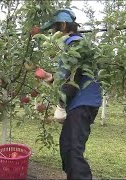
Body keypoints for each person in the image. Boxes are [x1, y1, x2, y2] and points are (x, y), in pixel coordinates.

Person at [41, 9, 102, 179]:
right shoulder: (73, 45)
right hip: (79, 102)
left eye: (54, 29)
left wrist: (61, 106)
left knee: (72, 149)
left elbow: (74, 77)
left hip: (82, 102)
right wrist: (50, 77)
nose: (53, 34)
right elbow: (67, 77)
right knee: (68, 147)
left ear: (63, 25)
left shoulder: (75, 43)